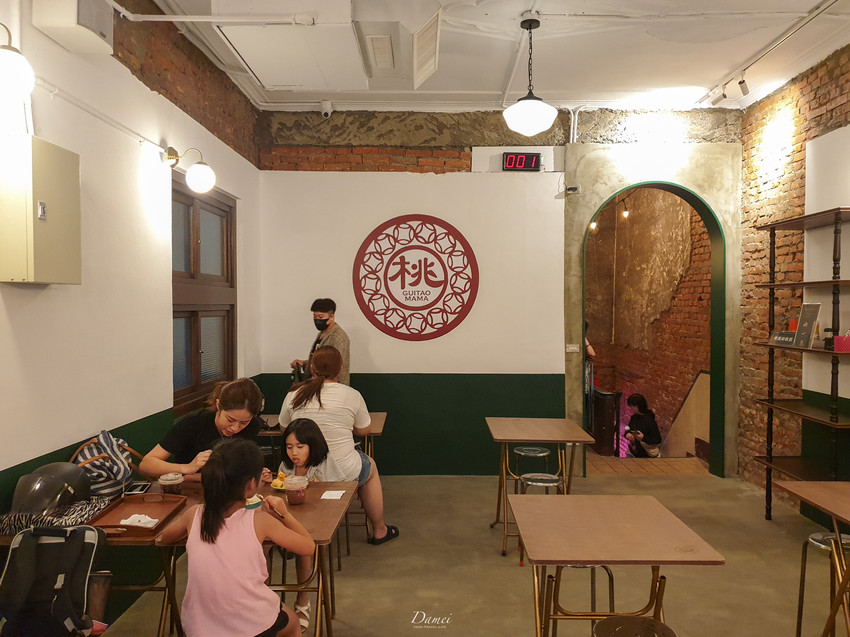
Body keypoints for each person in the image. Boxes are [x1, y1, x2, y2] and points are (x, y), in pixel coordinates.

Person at [157, 438, 314, 637]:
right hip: (251, 626)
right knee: (292, 625)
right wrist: (284, 514)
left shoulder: (194, 514)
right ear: (251, 486)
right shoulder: (260, 521)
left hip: (198, 628)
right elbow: (308, 547)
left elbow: (164, 538)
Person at [279, 345, 399, 546]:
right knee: (370, 466)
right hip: (342, 472)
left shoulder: (294, 394)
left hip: (301, 472)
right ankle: (379, 529)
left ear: (312, 368)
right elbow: (364, 430)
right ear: (341, 369)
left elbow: (285, 429)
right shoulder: (352, 394)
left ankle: (293, 531)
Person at [272, 418, 347, 630]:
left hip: (317, 521)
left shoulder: (324, 463)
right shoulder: (286, 467)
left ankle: (303, 602)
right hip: (288, 519)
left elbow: (341, 491)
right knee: (261, 542)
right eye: (289, 447)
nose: (293, 453)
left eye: (300, 446)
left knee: (304, 546)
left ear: (312, 446)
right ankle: (263, 599)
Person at [140, 378, 265, 481]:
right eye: (230, 419)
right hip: (189, 491)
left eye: (243, 422)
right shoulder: (193, 423)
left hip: (226, 490)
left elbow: (238, 470)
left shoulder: (252, 425)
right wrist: (187, 468)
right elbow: (146, 465)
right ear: (218, 405)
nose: (235, 428)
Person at [290, 298, 351, 386]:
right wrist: (305, 363)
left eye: (321, 317)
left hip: (332, 387)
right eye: (315, 317)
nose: (317, 320)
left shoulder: (339, 338)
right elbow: (321, 360)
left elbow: (336, 366)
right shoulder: (322, 334)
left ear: (331, 317)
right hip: (317, 385)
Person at [624, 393, 663, 458]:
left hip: (647, 455)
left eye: (632, 406)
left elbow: (657, 439)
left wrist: (643, 438)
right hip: (636, 452)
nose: (631, 408)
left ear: (637, 406)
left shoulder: (649, 420)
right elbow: (629, 429)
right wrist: (627, 434)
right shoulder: (634, 417)